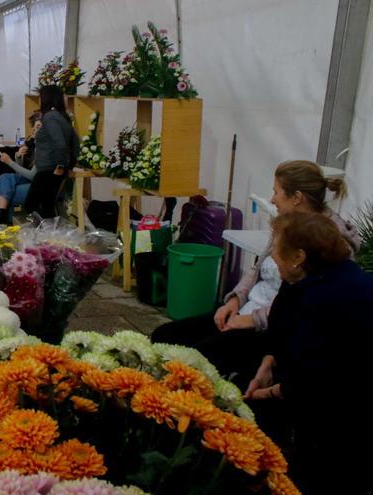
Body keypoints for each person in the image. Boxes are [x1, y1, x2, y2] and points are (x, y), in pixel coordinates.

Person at [151, 160, 359, 385]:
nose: (272, 199)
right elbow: (257, 267)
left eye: (276, 192)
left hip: (268, 328)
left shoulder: (326, 241)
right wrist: (234, 301)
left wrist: (250, 320)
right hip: (244, 311)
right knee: (165, 336)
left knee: (192, 361)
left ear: (297, 197)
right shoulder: (287, 223)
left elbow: (300, 307)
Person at [243, 211, 373, 494]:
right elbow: (280, 329)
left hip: (346, 411)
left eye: (277, 249)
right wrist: (268, 362)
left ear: (299, 256)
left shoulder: (327, 298)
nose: (272, 257)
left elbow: (316, 375)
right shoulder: (305, 279)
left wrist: (271, 391)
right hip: (312, 383)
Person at [22, 84, 78, 218]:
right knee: (47, 205)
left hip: (49, 169)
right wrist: (69, 165)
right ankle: (50, 236)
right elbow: (75, 143)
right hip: (54, 168)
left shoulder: (50, 117)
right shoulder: (63, 117)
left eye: (40, 97)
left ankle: (44, 234)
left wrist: (60, 166)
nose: (39, 100)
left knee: (31, 205)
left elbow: (60, 143)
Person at [0, 114, 43, 225]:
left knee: (2, 191)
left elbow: (33, 176)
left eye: (37, 127)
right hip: (30, 180)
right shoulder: (33, 145)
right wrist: (18, 157)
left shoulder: (43, 149)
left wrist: (10, 162)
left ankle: (1, 220)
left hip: (38, 184)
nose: (33, 129)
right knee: (4, 178)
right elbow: (22, 171)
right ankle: (2, 220)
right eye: (34, 126)